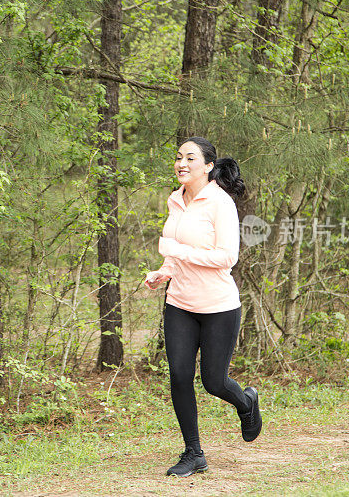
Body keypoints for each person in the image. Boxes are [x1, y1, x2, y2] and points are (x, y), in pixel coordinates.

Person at [145, 136, 262, 477]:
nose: (182, 163)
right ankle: (193, 453)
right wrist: (164, 271)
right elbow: (174, 251)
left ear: (208, 166)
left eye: (190, 158)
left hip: (218, 306)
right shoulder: (175, 200)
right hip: (179, 302)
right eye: (179, 157)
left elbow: (227, 257)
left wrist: (176, 253)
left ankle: (247, 402)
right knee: (180, 377)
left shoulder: (220, 203)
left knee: (213, 382)